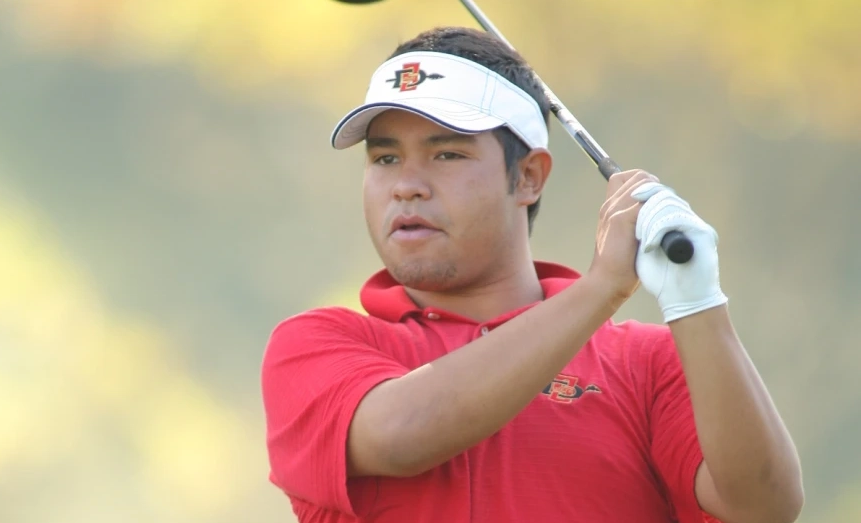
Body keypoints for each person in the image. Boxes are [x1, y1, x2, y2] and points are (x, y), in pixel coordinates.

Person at [260, 26, 803, 523]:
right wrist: (602, 287)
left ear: (527, 177)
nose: (406, 185)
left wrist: (698, 302)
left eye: (446, 154)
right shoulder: (316, 345)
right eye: (384, 160)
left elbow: (764, 508)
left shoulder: (647, 364)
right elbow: (401, 434)